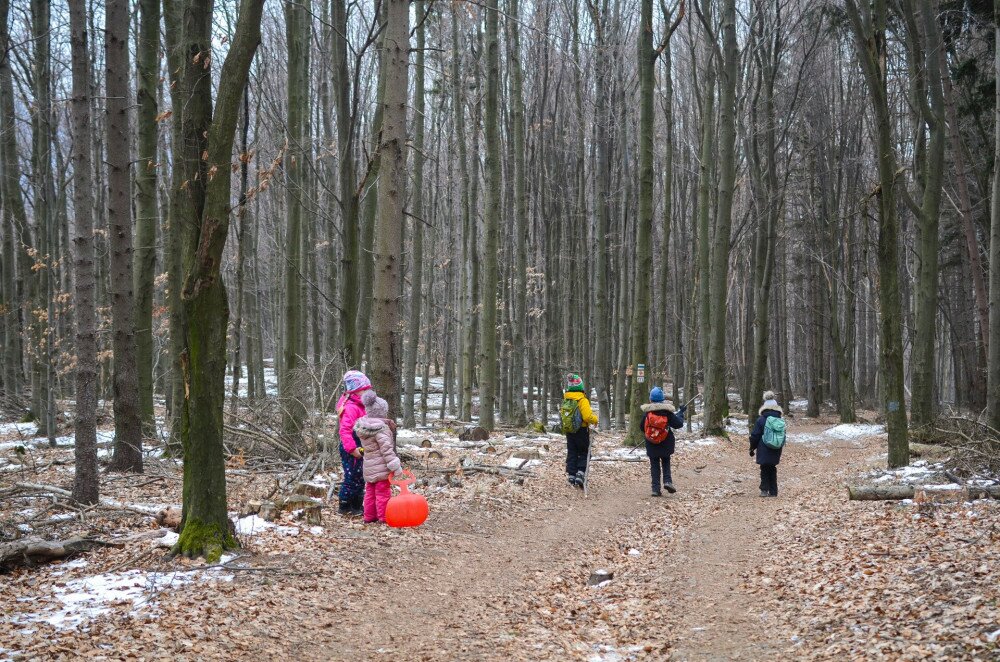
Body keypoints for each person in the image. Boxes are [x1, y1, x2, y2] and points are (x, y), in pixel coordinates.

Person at [354, 390, 402, 524]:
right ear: (382, 411)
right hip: (381, 468)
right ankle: (384, 517)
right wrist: (395, 466)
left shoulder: (364, 426)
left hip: (369, 467)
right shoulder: (381, 429)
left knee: (370, 493)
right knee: (383, 494)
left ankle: (369, 516)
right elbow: (386, 450)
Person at [335, 370, 370, 516]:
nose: (367, 392)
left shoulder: (363, 405)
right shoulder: (350, 407)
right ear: (355, 390)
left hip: (361, 445)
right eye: (364, 390)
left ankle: (357, 506)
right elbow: (345, 431)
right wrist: (352, 449)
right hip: (351, 447)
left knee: (361, 476)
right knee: (351, 477)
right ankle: (344, 505)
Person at [640, 387, 685, 496]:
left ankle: (655, 489)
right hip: (666, 442)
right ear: (662, 399)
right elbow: (678, 424)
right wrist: (681, 413)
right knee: (666, 461)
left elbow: (642, 427)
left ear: (651, 399)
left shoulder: (648, 412)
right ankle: (667, 481)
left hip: (651, 443)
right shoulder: (667, 412)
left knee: (654, 465)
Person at [560, 373, 598, 489]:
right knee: (584, 451)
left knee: (572, 451)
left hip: (569, 430)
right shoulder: (582, 400)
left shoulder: (566, 398)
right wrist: (595, 419)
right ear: (580, 386)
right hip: (581, 430)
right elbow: (587, 417)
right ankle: (580, 474)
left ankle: (571, 476)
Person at [749, 390, 785, 497]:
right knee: (772, 467)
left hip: (763, 446)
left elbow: (755, 435)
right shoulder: (780, 419)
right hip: (776, 446)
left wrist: (752, 448)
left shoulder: (761, 419)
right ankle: (773, 491)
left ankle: (764, 490)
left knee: (764, 468)